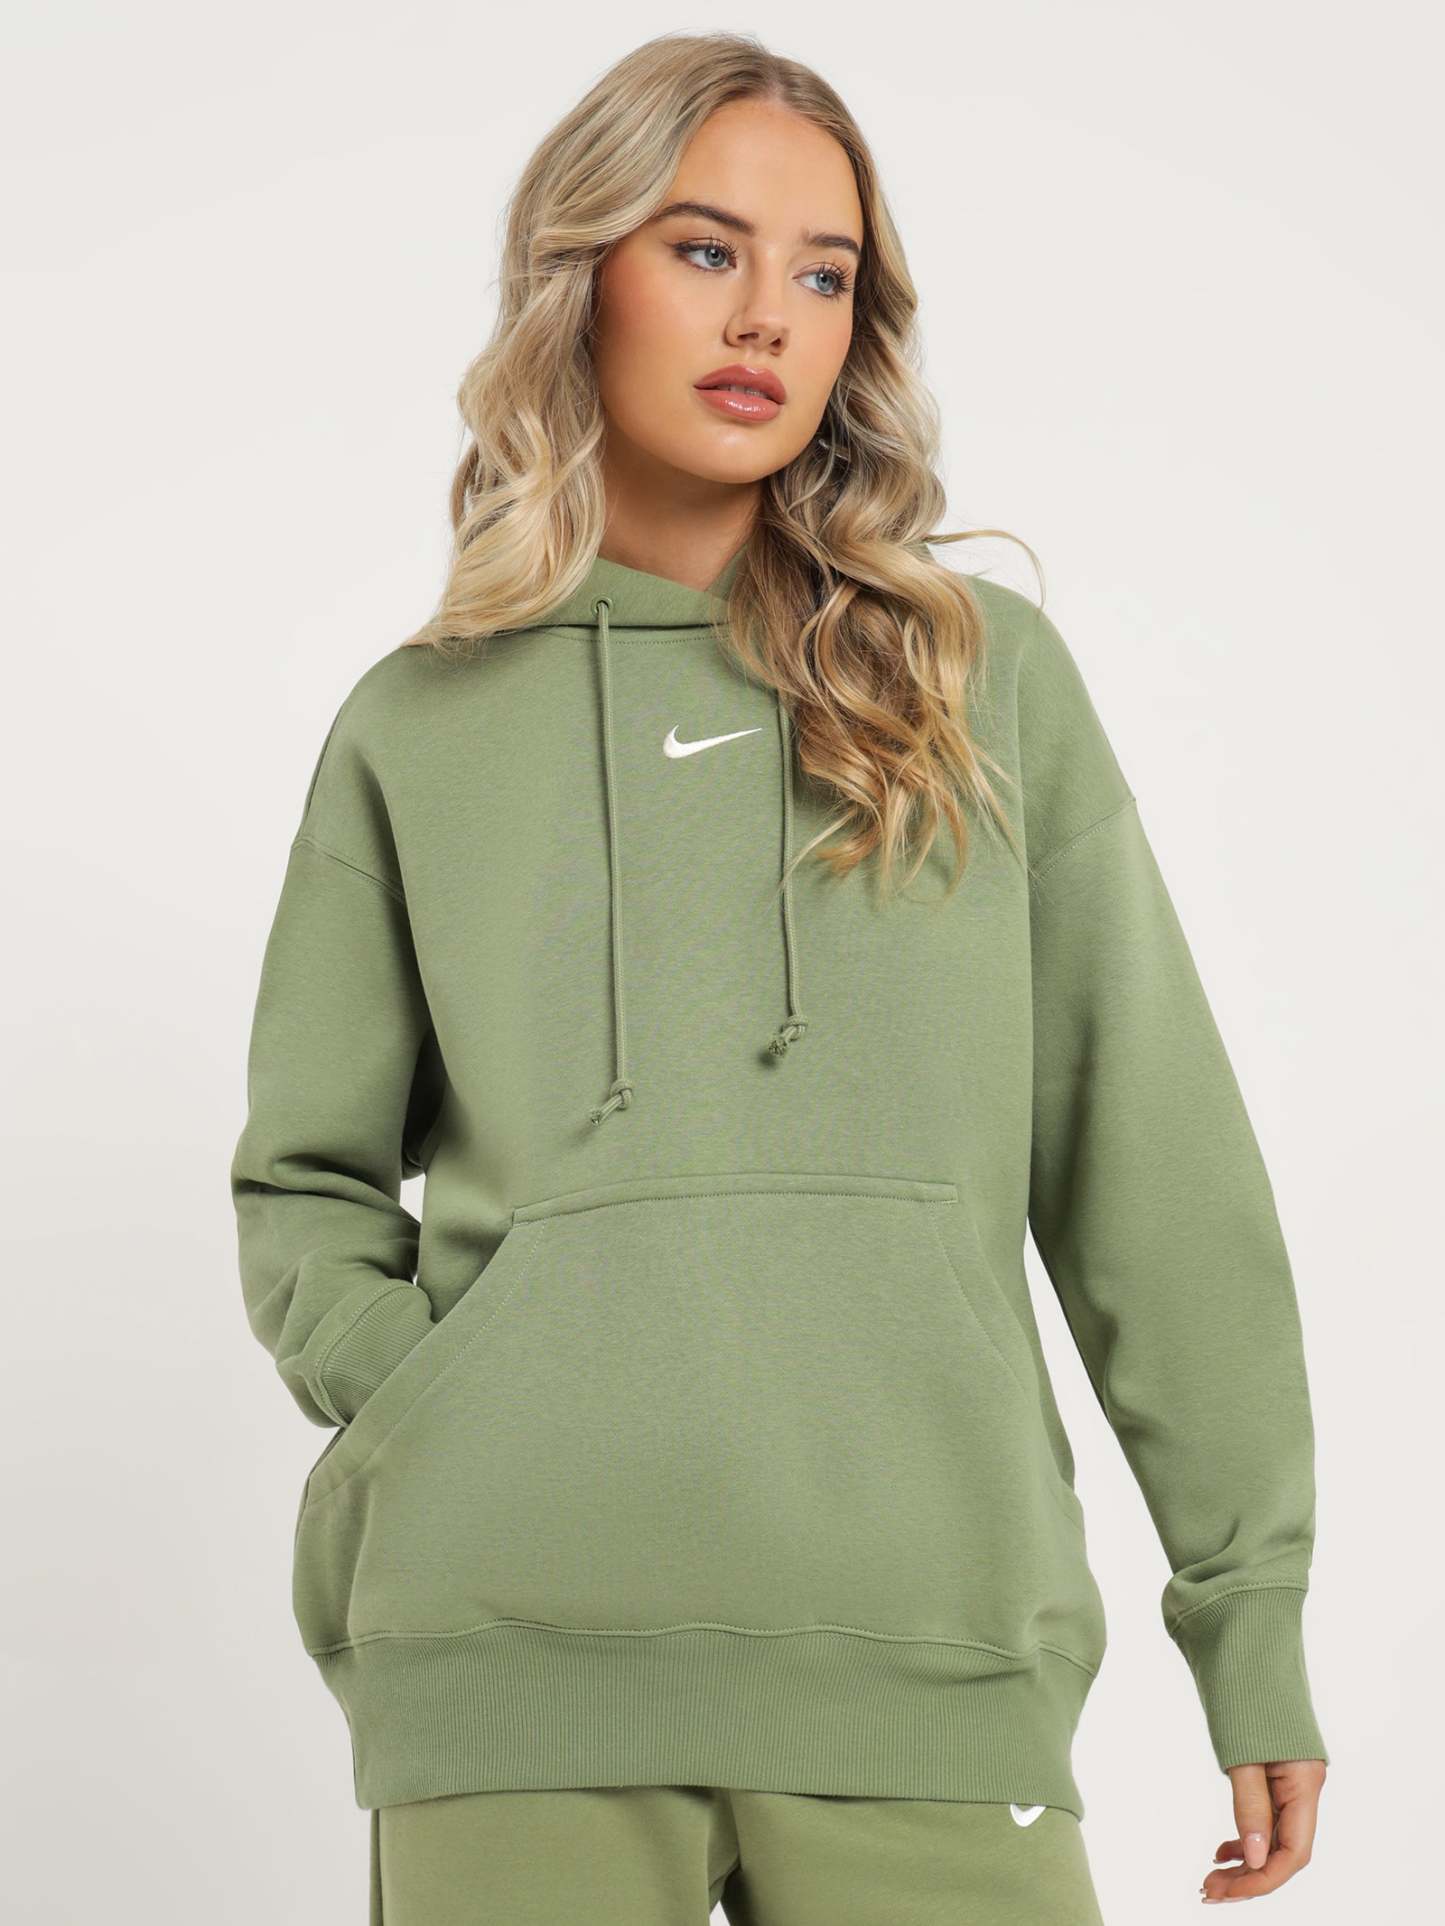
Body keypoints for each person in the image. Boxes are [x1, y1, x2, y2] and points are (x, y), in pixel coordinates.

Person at [229, 31, 1329, 1924]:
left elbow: (1152, 1177)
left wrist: (1249, 1612)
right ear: (579, 276)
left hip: (932, 1651)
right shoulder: (417, 726)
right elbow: (302, 1179)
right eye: (704, 250)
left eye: (823, 274)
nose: (766, 318)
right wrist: (446, 1406)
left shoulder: (978, 687)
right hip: (513, 1667)